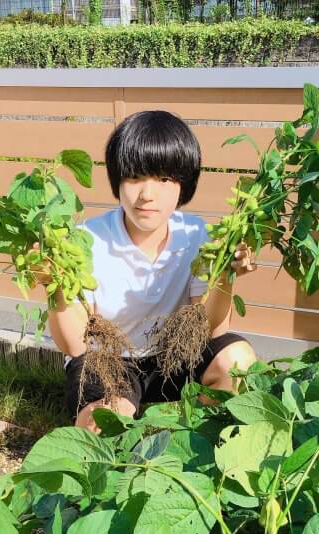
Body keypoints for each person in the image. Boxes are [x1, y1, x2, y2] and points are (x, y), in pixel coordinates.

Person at [44, 109, 258, 432]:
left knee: (237, 360)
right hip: (110, 361)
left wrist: (226, 277)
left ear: (183, 184)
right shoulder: (87, 240)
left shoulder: (196, 234)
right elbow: (75, 346)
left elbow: (211, 330)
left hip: (174, 358)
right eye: (134, 177)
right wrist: (54, 286)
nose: (147, 195)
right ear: (117, 180)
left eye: (164, 179)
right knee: (105, 422)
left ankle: (196, 437)